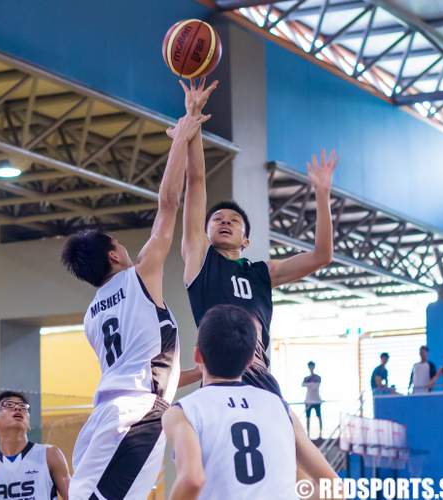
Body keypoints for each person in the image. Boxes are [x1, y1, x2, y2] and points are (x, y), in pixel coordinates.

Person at [177, 78, 338, 483]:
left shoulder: (261, 273)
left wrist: (321, 194)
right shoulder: (199, 261)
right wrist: (192, 121)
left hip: (261, 376)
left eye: (234, 220)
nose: (225, 221)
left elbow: (322, 256)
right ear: (207, 231)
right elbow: (196, 184)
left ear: (246, 238)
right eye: (217, 219)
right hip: (220, 378)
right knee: (214, 473)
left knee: (304, 474)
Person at [60, 107, 210, 499]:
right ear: (113, 254)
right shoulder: (140, 275)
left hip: (105, 419)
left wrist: (201, 373)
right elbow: (168, 204)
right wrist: (182, 137)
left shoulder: (91, 316)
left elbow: (141, 366)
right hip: (137, 416)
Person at [163, 305, 297, 500]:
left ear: (197, 355)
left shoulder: (183, 412)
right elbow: (331, 483)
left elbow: (191, 479)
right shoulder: (281, 408)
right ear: (251, 360)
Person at [0, 391, 70, 500]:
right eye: (9, 405)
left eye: (23, 407)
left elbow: (75, 496)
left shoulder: (50, 455)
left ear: (28, 422)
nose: (18, 408)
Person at [302, 361, 322, 439]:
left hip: (317, 400)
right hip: (308, 400)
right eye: (309, 366)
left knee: (319, 416)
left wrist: (309, 384)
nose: (311, 368)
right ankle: (308, 434)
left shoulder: (318, 377)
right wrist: (311, 384)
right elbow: (303, 385)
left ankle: (320, 434)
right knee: (308, 417)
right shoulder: (306, 378)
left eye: (312, 366)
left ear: (314, 367)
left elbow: (316, 386)